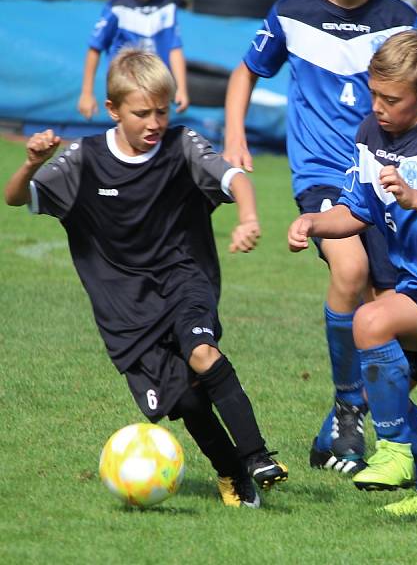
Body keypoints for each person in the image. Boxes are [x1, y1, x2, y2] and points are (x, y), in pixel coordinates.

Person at [6, 49, 287, 509]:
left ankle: (257, 458)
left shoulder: (183, 145)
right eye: (142, 113)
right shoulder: (84, 159)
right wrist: (31, 163)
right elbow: (17, 199)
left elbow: (236, 179)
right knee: (189, 403)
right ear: (113, 110)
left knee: (201, 352)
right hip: (125, 307)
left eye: (162, 110)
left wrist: (249, 218)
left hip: (184, 278)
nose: (154, 122)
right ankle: (231, 473)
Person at [288, 30, 417, 516]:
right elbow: (357, 209)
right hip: (416, 290)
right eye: (374, 94)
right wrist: (315, 222)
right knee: (386, 387)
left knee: (371, 322)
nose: (379, 107)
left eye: (392, 99)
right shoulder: (370, 134)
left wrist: (415, 197)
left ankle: (394, 452)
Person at [225, 0, 417, 475]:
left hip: (383, 178)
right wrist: (234, 135)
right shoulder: (292, 12)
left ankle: (334, 429)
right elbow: (246, 69)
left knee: (392, 318)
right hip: (321, 176)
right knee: (350, 270)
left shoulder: (401, 20)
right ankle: (348, 405)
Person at [77, 0, 189, 119]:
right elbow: (95, 48)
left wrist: (181, 88)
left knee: (155, 131)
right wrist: (87, 93)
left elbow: (175, 48)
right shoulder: (117, 6)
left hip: (156, 84)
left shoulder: (167, 7)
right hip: (127, 85)